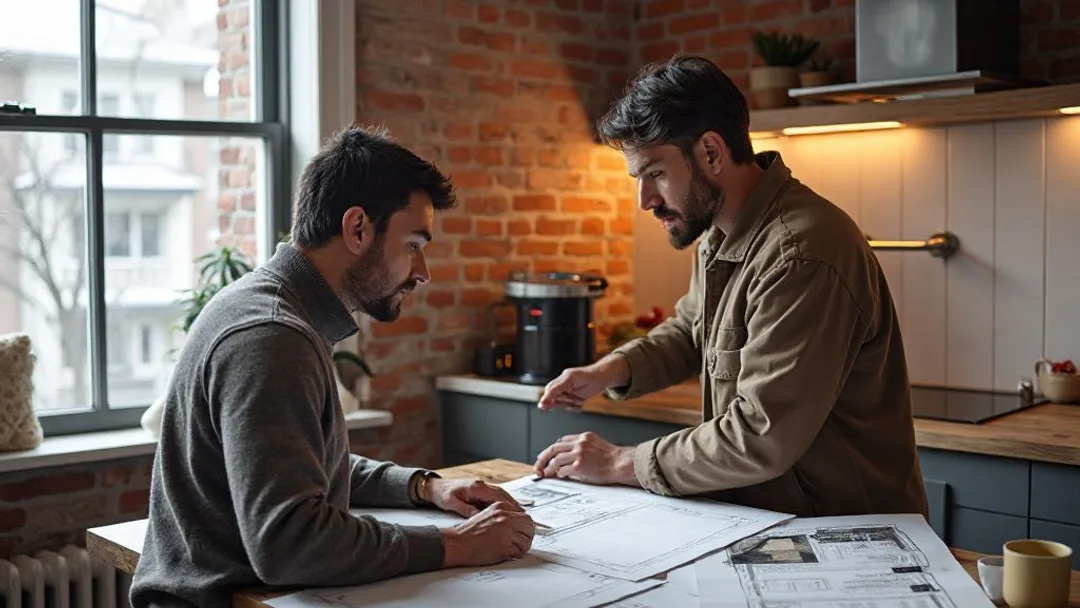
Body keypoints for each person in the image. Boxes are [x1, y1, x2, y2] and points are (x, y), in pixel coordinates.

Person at [131, 126, 535, 608]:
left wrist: (426, 487)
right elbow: (290, 543)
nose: (423, 271)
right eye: (412, 245)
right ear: (358, 228)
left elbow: (297, 468)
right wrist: (456, 545)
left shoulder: (272, 308)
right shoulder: (273, 335)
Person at [532, 56, 928, 519]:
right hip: (777, 522)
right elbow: (690, 330)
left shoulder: (801, 254)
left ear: (712, 153)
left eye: (655, 174)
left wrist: (621, 461)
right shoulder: (723, 233)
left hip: (849, 534)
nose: (645, 201)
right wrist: (610, 370)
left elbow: (761, 435)